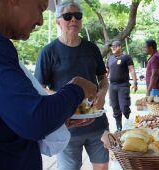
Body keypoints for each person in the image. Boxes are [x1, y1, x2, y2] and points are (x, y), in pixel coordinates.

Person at [0, 0, 98, 169]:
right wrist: (77, 88)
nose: (41, 21)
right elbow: (33, 119)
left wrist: (57, 115)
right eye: (40, 8)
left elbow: (5, 118)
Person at [34, 1, 109, 170]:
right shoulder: (48, 51)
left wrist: (102, 93)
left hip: (96, 122)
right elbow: (39, 87)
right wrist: (65, 98)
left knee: (103, 167)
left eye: (78, 16)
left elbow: (103, 78)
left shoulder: (92, 49)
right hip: (66, 125)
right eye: (68, 16)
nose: (73, 20)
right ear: (58, 21)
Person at [107, 40, 138, 131]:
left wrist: (135, 83)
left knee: (124, 107)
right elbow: (106, 71)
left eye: (115, 46)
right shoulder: (110, 58)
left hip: (123, 86)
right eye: (111, 46)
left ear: (120, 47)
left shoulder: (126, 57)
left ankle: (129, 125)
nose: (112, 48)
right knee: (115, 107)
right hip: (112, 86)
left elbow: (132, 70)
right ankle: (119, 128)